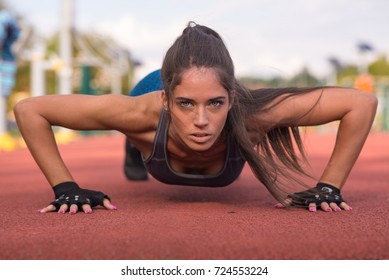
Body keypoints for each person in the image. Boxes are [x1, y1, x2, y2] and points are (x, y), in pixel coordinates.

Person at [14, 22, 378, 214]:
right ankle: (135, 145)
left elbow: (361, 103)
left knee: (201, 96)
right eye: (187, 105)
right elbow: (30, 110)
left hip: (199, 87)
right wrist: (66, 188)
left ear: (232, 99)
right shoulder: (142, 110)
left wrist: (329, 187)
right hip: (151, 89)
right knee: (135, 124)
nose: (201, 120)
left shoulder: (253, 115)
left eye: (216, 105)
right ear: (168, 101)